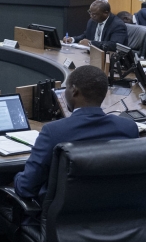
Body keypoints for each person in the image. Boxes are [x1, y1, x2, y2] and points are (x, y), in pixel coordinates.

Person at [12, 65, 138, 199]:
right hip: (116, 213)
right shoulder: (128, 127)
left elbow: (27, 188)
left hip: (64, 216)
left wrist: (15, 180)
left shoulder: (53, 131)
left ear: (74, 91)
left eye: (66, 88)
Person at [63, 0, 127, 52]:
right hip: (92, 55)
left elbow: (114, 45)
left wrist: (91, 43)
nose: (91, 16)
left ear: (106, 13)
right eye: (90, 12)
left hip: (109, 58)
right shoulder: (92, 21)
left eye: (94, 14)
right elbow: (86, 35)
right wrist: (72, 39)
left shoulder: (118, 25)